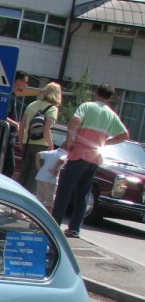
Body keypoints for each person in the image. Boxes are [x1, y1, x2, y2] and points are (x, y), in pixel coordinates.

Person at [52, 83, 129, 238]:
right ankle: (75, 228)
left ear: (96, 93)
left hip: (79, 153)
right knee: (83, 194)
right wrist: (106, 142)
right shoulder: (111, 114)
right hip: (95, 158)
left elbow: (74, 120)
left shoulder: (87, 106)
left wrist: (70, 139)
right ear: (109, 97)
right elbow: (124, 135)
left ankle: (55, 223)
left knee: (65, 191)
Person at [19, 82, 62, 195]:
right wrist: (51, 145)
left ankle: (16, 198)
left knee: (24, 172)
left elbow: (22, 125)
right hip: (41, 145)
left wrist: (20, 140)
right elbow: (46, 129)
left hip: (27, 143)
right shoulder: (52, 109)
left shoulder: (32, 104)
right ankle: (25, 204)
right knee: (34, 175)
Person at [0, 70, 30, 178]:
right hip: (5, 135)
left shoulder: (14, 96)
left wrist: (16, 123)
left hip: (10, 136)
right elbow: (1, 115)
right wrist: (15, 124)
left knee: (2, 164)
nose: (26, 85)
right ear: (17, 81)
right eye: (25, 82)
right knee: (9, 166)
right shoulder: (9, 96)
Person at [34, 147, 67, 214]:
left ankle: (34, 220)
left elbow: (38, 154)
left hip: (40, 177)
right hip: (50, 180)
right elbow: (61, 160)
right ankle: (46, 221)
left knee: (39, 200)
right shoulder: (65, 154)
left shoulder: (52, 152)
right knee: (49, 203)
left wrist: (38, 167)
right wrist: (54, 170)